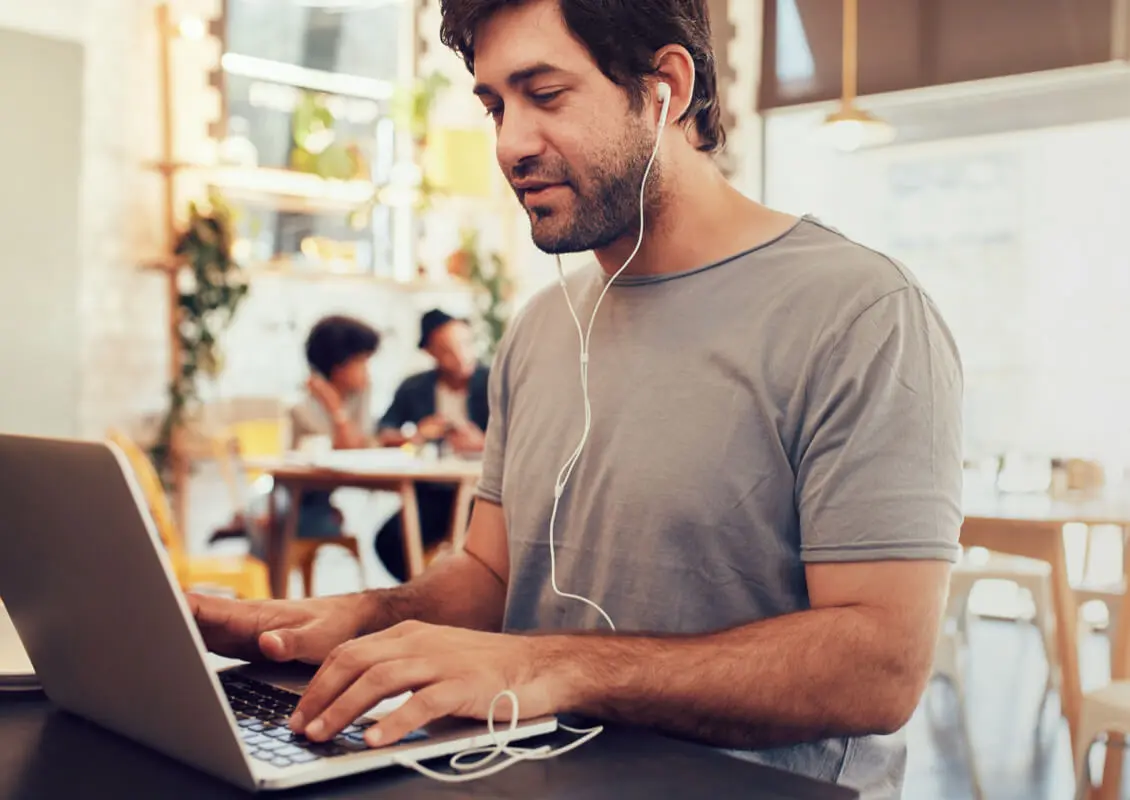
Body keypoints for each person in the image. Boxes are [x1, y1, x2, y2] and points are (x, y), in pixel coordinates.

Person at [188, 3, 962, 798]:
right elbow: (492, 573)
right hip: (526, 777)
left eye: (545, 94)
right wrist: (357, 618)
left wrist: (554, 667)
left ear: (665, 86)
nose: (510, 144)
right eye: (494, 105)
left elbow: (881, 668)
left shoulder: (861, 313)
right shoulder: (540, 328)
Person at [372, 309, 490, 582]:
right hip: (432, 493)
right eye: (447, 350)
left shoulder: (494, 381)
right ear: (429, 352)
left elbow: (523, 437)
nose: (460, 356)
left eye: (466, 345)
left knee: (479, 548)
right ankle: (425, 598)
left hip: (484, 496)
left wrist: (483, 444)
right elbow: (383, 432)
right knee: (390, 541)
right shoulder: (415, 387)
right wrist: (417, 435)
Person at [267, 315, 380, 551]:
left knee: (329, 522)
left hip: (322, 501)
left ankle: (241, 523)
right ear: (339, 367)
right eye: (361, 361)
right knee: (310, 524)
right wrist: (335, 407)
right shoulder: (303, 405)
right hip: (295, 501)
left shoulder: (359, 393)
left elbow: (363, 445)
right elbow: (348, 448)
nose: (367, 371)